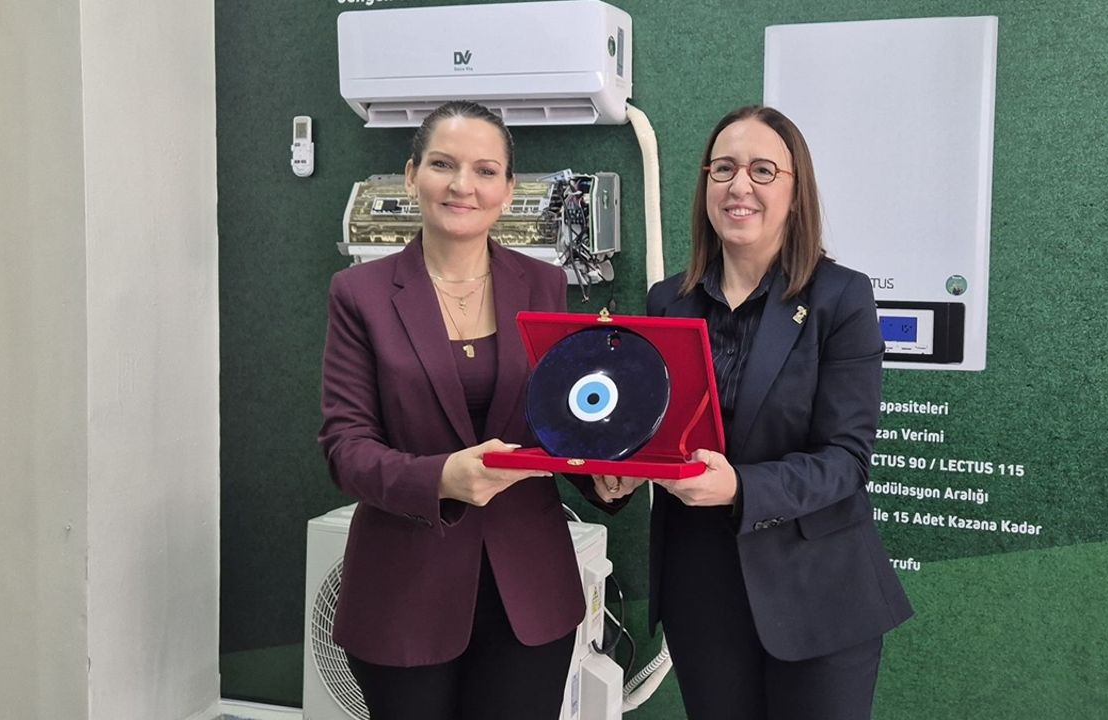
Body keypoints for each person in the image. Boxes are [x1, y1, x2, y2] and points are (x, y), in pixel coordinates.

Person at [592, 105, 913, 720]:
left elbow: (846, 461)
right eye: (724, 169)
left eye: (763, 170)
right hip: (701, 590)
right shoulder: (667, 301)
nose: (740, 186)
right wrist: (622, 471)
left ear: (796, 191)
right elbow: (651, 430)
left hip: (816, 593)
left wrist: (740, 486)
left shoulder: (840, 297)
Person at [317, 100, 584, 720]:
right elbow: (345, 448)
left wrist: (610, 473)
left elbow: (562, 421)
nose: (463, 185)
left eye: (485, 171)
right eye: (443, 164)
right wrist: (442, 477)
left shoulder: (546, 287)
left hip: (529, 592)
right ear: (412, 176)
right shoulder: (359, 294)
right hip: (404, 591)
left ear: (508, 191)